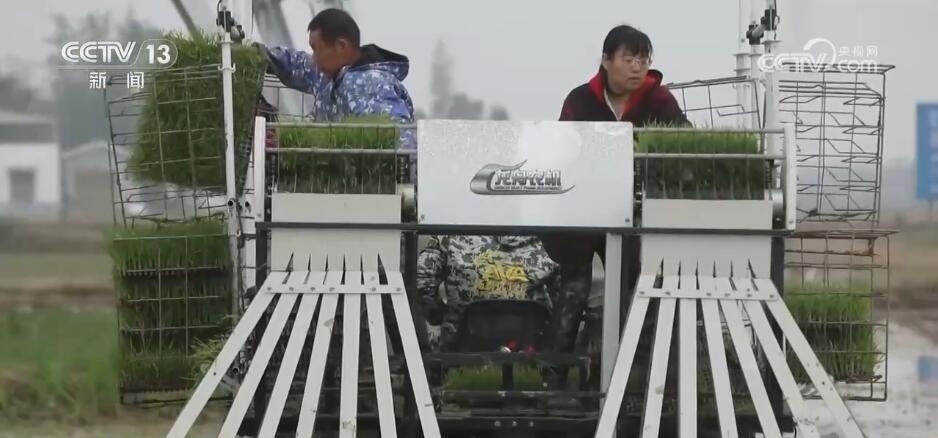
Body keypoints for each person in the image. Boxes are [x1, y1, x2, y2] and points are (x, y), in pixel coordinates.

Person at [544, 24, 691, 383]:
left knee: (631, 287)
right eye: (629, 59)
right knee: (574, 287)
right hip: (582, 211)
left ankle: (628, 376)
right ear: (606, 60)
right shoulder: (580, 100)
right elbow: (561, 150)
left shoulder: (659, 101)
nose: (637, 67)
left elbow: (684, 141)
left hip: (634, 215)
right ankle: (555, 377)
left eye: (644, 60)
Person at [255, 8, 416, 150]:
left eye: (316, 49)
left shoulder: (372, 85)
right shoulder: (328, 73)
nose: (314, 59)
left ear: (341, 46)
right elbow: (298, 64)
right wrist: (260, 54)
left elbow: (400, 144)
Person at [417, 235, 560, 353]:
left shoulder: (449, 235)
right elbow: (562, 291)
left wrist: (436, 315)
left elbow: (423, 278)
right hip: (533, 346)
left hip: (460, 344)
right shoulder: (546, 237)